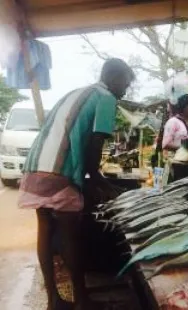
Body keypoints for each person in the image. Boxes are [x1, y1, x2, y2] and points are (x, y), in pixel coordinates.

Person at [18, 58, 135, 310]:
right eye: (125, 85)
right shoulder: (106, 97)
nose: (124, 91)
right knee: (71, 235)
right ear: (114, 79)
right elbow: (95, 144)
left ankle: (54, 299)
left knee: (46, 230)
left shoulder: (78, 92)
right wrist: (98, 181)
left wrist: (95, 180)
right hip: (61, 171)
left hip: (36, 165)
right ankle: (82, 300)